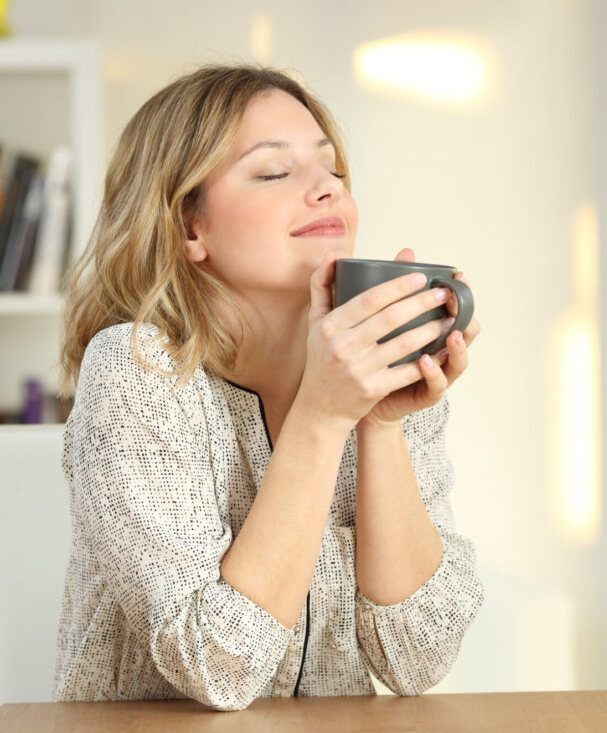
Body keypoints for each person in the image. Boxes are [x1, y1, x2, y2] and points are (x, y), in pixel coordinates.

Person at [53, 65, 484, 711]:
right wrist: (322, 416)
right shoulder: (135, 371)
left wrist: (380, 420)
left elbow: (416, 659)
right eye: (276, 173)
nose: (326, 192)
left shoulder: (377, 370)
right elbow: (217, 668)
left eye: (333, 170)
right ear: (188, 227)